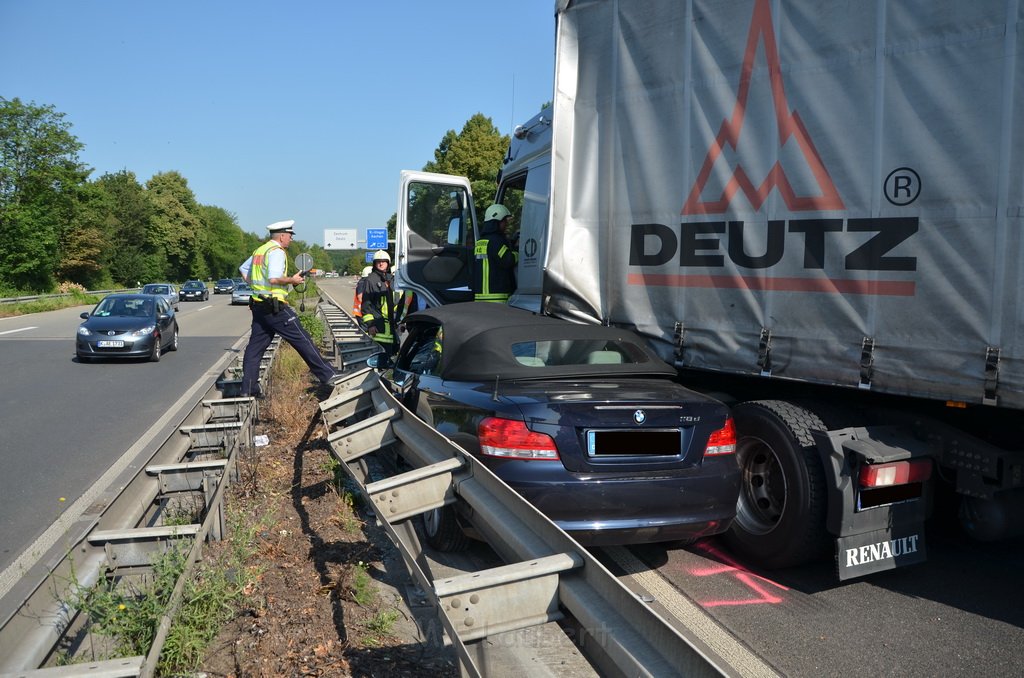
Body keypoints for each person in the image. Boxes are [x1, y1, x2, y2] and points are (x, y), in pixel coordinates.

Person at [238, 220, 342, 398]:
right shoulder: (276, 252)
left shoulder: (260, 250)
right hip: (274, 307)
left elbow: (243, 269)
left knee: (255, 348)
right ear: (282, 236)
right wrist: (293, 281)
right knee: (303, 339)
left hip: (258, 305)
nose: (291, 239)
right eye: (290, 235)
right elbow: (274, 278)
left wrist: (257, 287)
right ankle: (328, 375)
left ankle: (249, 389)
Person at [473, 203, 518, 303]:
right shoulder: (496, 241)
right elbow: (507, 260)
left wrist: (511, 242)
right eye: (504, 221)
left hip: (480, 298)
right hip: (497, 298)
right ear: (496, 222)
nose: (506, 224)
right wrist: (518, 254)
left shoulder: (480, 242)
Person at [360, 250, 398, 355]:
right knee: (382, 359)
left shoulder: (392, 279)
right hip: (378, 328)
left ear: (388, 263)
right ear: (375, 263)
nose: (381, 264)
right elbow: (366, 305)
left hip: (392, 327)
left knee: (394, 356)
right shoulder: (370, 280)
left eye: (384, 261)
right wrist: (370, 325)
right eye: (378, 262)